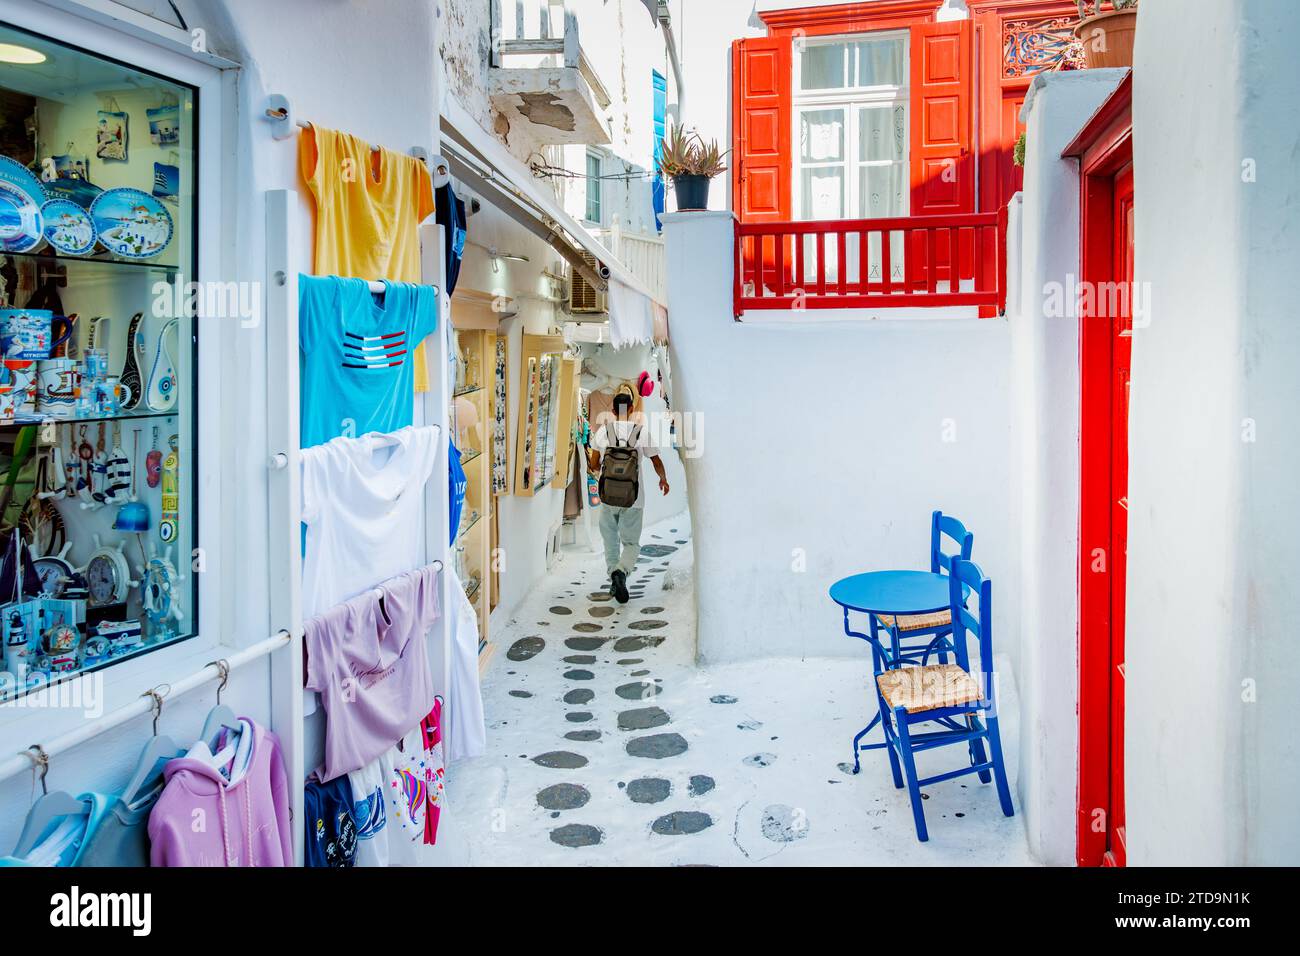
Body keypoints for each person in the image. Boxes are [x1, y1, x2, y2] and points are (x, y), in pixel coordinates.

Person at [587, 389, 669, 603]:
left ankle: (614, 572)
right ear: (631, 409)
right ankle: (622, 572)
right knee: (631, 543)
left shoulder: (603, 432)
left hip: (607, 497)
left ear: (613, 411)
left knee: (610, 540)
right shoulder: (641, 432)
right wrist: (663, 479)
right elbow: (656, 461)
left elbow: (594, 464)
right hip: (634, 497)